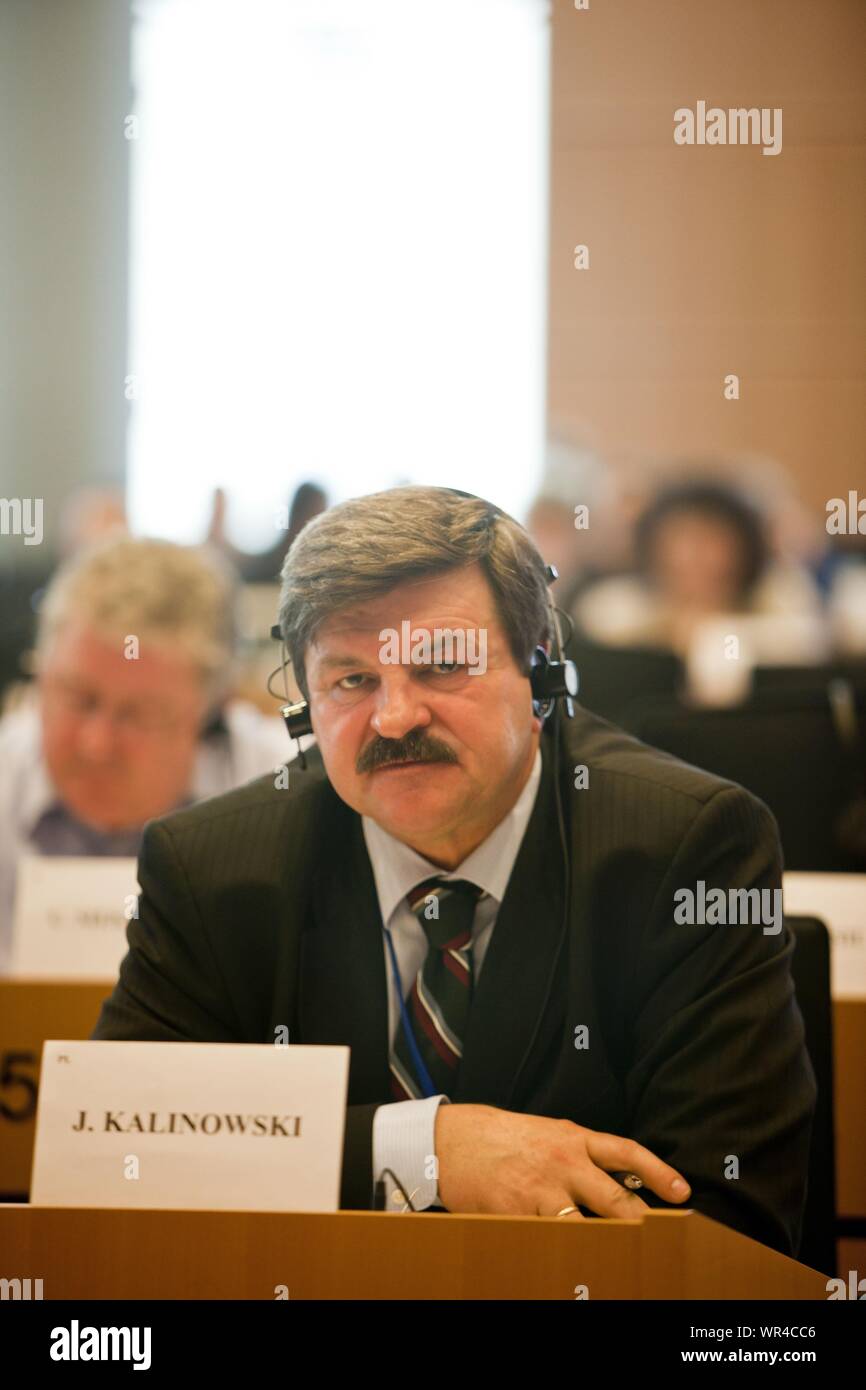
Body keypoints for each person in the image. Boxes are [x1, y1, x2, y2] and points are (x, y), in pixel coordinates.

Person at [92, 487, 816, 1256]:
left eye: (440, 667)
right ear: (304, 708)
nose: (394, 717)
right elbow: (116, 1158)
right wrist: (423, 1149)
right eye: (351, 681)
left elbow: (726, 1221)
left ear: (543, 679)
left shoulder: (687, 848)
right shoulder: (211, 867)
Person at [0, 536, 294, 970]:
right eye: (77, 697)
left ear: (213, 714)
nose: (96, 743)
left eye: (139, 715)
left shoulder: (286, 795)